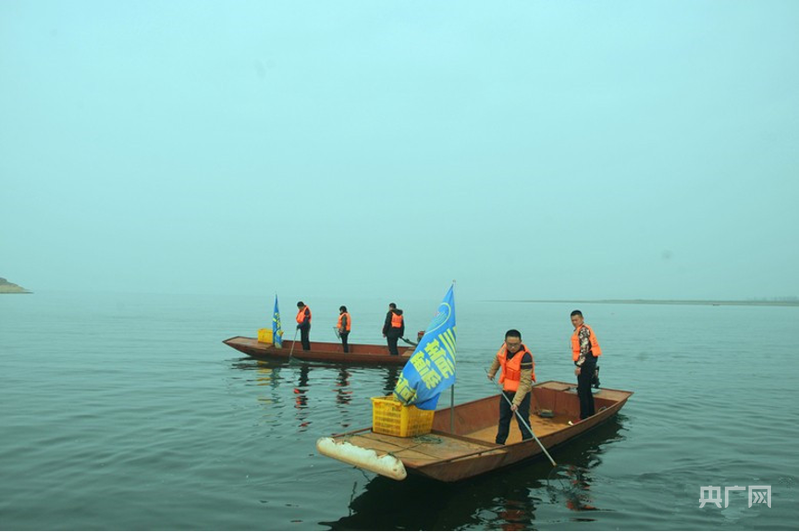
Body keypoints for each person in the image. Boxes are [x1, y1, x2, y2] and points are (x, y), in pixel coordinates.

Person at [487, 329, 536, 445]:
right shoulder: (504, 348)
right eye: (510, 344)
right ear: (505, 342)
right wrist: (492, 372)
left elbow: (525, 383)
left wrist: (516, 402)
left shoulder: (526, 357)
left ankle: (528, 443)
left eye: (515, 345)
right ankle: (499, 443)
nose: (512, 347)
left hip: (522, 393)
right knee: (504, 419)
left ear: (520, 342)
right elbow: (498, 359)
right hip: (507, 390)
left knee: (522, 420)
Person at [570, 310, 602, 421]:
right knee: (587, 389)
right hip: (589, 362)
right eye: (572, 320)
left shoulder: (583, 331)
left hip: (586, 364)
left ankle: (584, 416)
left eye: (576, 320)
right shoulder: (581, 330)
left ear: (582, 319)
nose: (574, 322)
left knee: (582, 391)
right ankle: (591, 413)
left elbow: (584, 350)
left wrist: (579, 366)